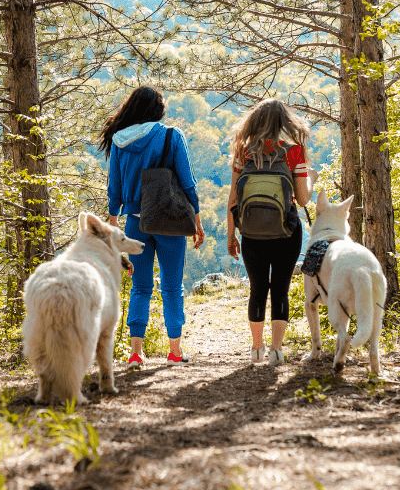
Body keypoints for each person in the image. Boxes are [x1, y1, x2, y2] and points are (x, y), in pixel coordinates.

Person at [102, 86, 205, 368]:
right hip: (170, 222)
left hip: (135, 224)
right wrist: (197, 220)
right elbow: (187, 183)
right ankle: (174, 351)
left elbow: (115, 191)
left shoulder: (119, 141)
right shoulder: (171, 136)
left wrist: (113, 230)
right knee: (172, 287)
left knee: (140, 287)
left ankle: (136, 353)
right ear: (158, 111)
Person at [226, 98, 316, 366]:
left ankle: (256, 349)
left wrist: (232, 234)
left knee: (257, 288)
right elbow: (302, 199)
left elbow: (233, 197)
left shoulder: (244, 151)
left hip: (251, 232)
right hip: (286, 231)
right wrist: (310, 177)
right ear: (283, 122)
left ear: (254, 121)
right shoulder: (294, 152)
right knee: (280, 289)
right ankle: (277, 350)